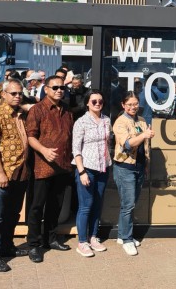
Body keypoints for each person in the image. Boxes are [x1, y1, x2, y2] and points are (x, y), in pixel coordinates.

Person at [0, 79, 31, 272]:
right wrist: (0, 172)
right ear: (3, 94)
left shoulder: (21, 114)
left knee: (13, 214)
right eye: (13, 93)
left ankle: (7, 247)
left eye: (20, 93)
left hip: (21, 171)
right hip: (3, 174)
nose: (18, 96)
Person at [25, 75, 74, 263]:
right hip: (42, 167)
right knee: (37, 207)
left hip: (62, 166)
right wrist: (44, 151)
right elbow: (31, 137)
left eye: (62, 88)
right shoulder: (37, 110)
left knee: (56, 205)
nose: (59, 91)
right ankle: (33, 245)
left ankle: (51, 239)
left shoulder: (67, 110)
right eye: (55, 88)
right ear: (46, 89)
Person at [112, 91, 154, 256]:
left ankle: (122, 236)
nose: (133, 107)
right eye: (129, 104)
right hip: (125, 167)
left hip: (139, 167)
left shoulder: (142, 121)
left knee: (130, 204)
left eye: (135, 104)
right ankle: (128, 239)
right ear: (123, 105)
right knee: (128, 205)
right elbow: (128, 145)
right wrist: (144, 135)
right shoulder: (120, 122)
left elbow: (145, 147)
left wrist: (146, 164)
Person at [72, 89, 112, 257]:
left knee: (97, 205)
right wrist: (81, 172)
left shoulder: (106, 120)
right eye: (94, 101)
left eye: (100, 101)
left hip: (103, 168)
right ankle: (82, 242)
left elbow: (108, 142)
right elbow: (76, 148)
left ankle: (93, 237)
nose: (97, 104)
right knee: (85, 206)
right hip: (87, 168)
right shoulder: (81, 122)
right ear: (87, 103)